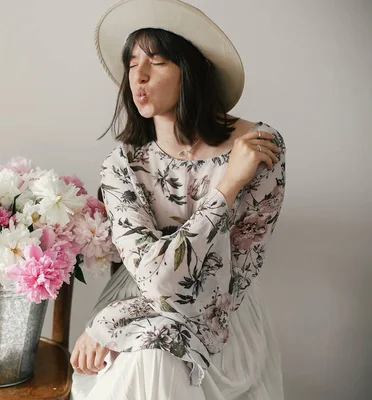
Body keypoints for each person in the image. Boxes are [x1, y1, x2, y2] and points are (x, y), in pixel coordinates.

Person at [70, 0, 286, 399]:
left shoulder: (257, 148)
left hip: (222, 316)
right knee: (151, 357)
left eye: (157, 61)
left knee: (157, 354)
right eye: (132, 64)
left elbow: (237, 273)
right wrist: (226, 189)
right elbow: (155, 282)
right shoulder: (122, 167)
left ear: (191, 69)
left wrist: (110, 324)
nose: (140, 76)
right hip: (134, 301)